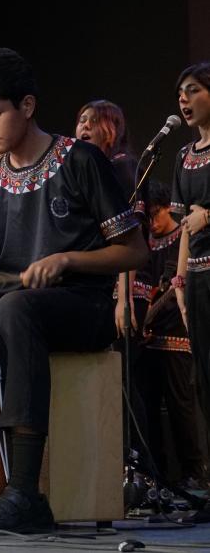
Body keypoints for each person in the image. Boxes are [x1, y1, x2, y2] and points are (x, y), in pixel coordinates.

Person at [0, 48, 147, 533]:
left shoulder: (80, 161)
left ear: (28, 106)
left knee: (16, 309)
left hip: (83, 305)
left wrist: (67, 259)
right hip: (14, 302)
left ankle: (24, 494)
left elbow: (134, 251)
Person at [75, 99, 152, 471]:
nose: (84, 126)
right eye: (80, 120)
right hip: (105, 289)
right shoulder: (94, 170)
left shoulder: (121, 167)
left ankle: (138, 471)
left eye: (94, 121)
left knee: (123, 381)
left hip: (123, 289)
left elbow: (129, 240)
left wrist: (123, 296)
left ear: (113, 128)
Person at [136, 180, 206, 488]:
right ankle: (157, 476)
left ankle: (194, 474)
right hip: (147, 340)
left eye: (156, 215)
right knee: (148, 409)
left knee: (181, 408)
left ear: (168, 208)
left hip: (177, 337)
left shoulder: (183, 238)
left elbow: (175, 285)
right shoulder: (145, 243)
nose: (151, 223)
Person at [170, 63, 210, 517]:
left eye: (193, 90)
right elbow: (183, 227)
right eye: (180, 93)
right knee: (203, 382)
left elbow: (200, 218)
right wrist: (178, 283)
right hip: (197, 280)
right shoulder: (183, 156)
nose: (183, 99)